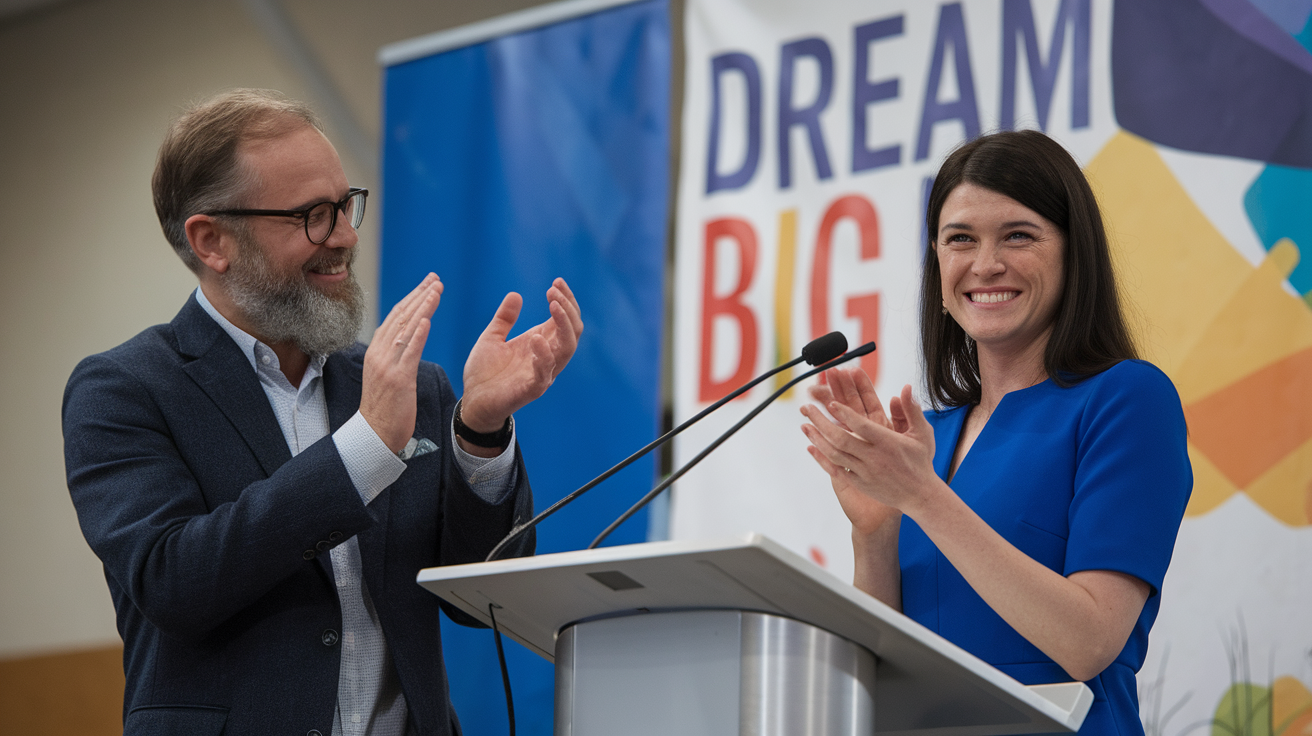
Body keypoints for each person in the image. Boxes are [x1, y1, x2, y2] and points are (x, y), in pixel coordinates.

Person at [62, 89, 583, 736]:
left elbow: (484, 601)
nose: (345, 236)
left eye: (344, 205)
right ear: (212, 240)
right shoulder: (124, 389)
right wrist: (365, 448)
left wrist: (479, 432)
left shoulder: (408, 385)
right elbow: (174, 582)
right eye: (313, 215)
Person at [800, 130, 1191, 736]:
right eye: (960, 239)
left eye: (1019, 235)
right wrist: (874, 535)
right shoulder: (927, 438)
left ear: (1072, 251)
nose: (985, 265)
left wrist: (924, 499)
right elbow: (878, 672)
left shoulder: (1127, 399)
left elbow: (1089, 640)